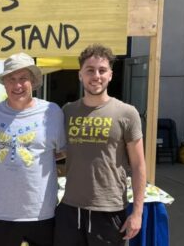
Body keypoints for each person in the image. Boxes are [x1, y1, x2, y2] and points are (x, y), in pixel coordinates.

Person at [54, 44, 147, 246]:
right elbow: (63, 151)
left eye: (102, 70)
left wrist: (138, 212)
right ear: (80, 75)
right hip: (70, 209)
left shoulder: (127, 113)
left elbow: (139, 165)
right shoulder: (67, 111)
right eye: (90, 70)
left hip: (109, 210)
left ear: (110, 75)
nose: (96, 76)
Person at [0, 52, 66, 246]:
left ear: (33, 81)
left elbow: (60, 150)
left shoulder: (52, 112)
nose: (17, 85)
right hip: (2, 213)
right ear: (4, 83)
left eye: (23, 79)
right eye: (12, 79)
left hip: (43, 212)